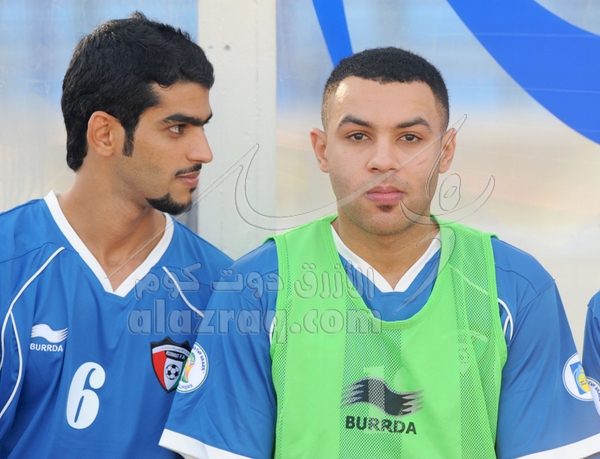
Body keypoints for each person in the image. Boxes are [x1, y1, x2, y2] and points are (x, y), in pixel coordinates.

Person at [160, 47, 600, 458]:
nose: (384, 161)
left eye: (410, 138)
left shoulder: (516, 288)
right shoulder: (257, 288)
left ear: (445, 151)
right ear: (322, 150)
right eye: (358, 136)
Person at [0, 12, 232, 458]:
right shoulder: (11, 263)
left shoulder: (221, 288)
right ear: (104, 134)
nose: (203, 152)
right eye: (177, 128)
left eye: (203, 126)